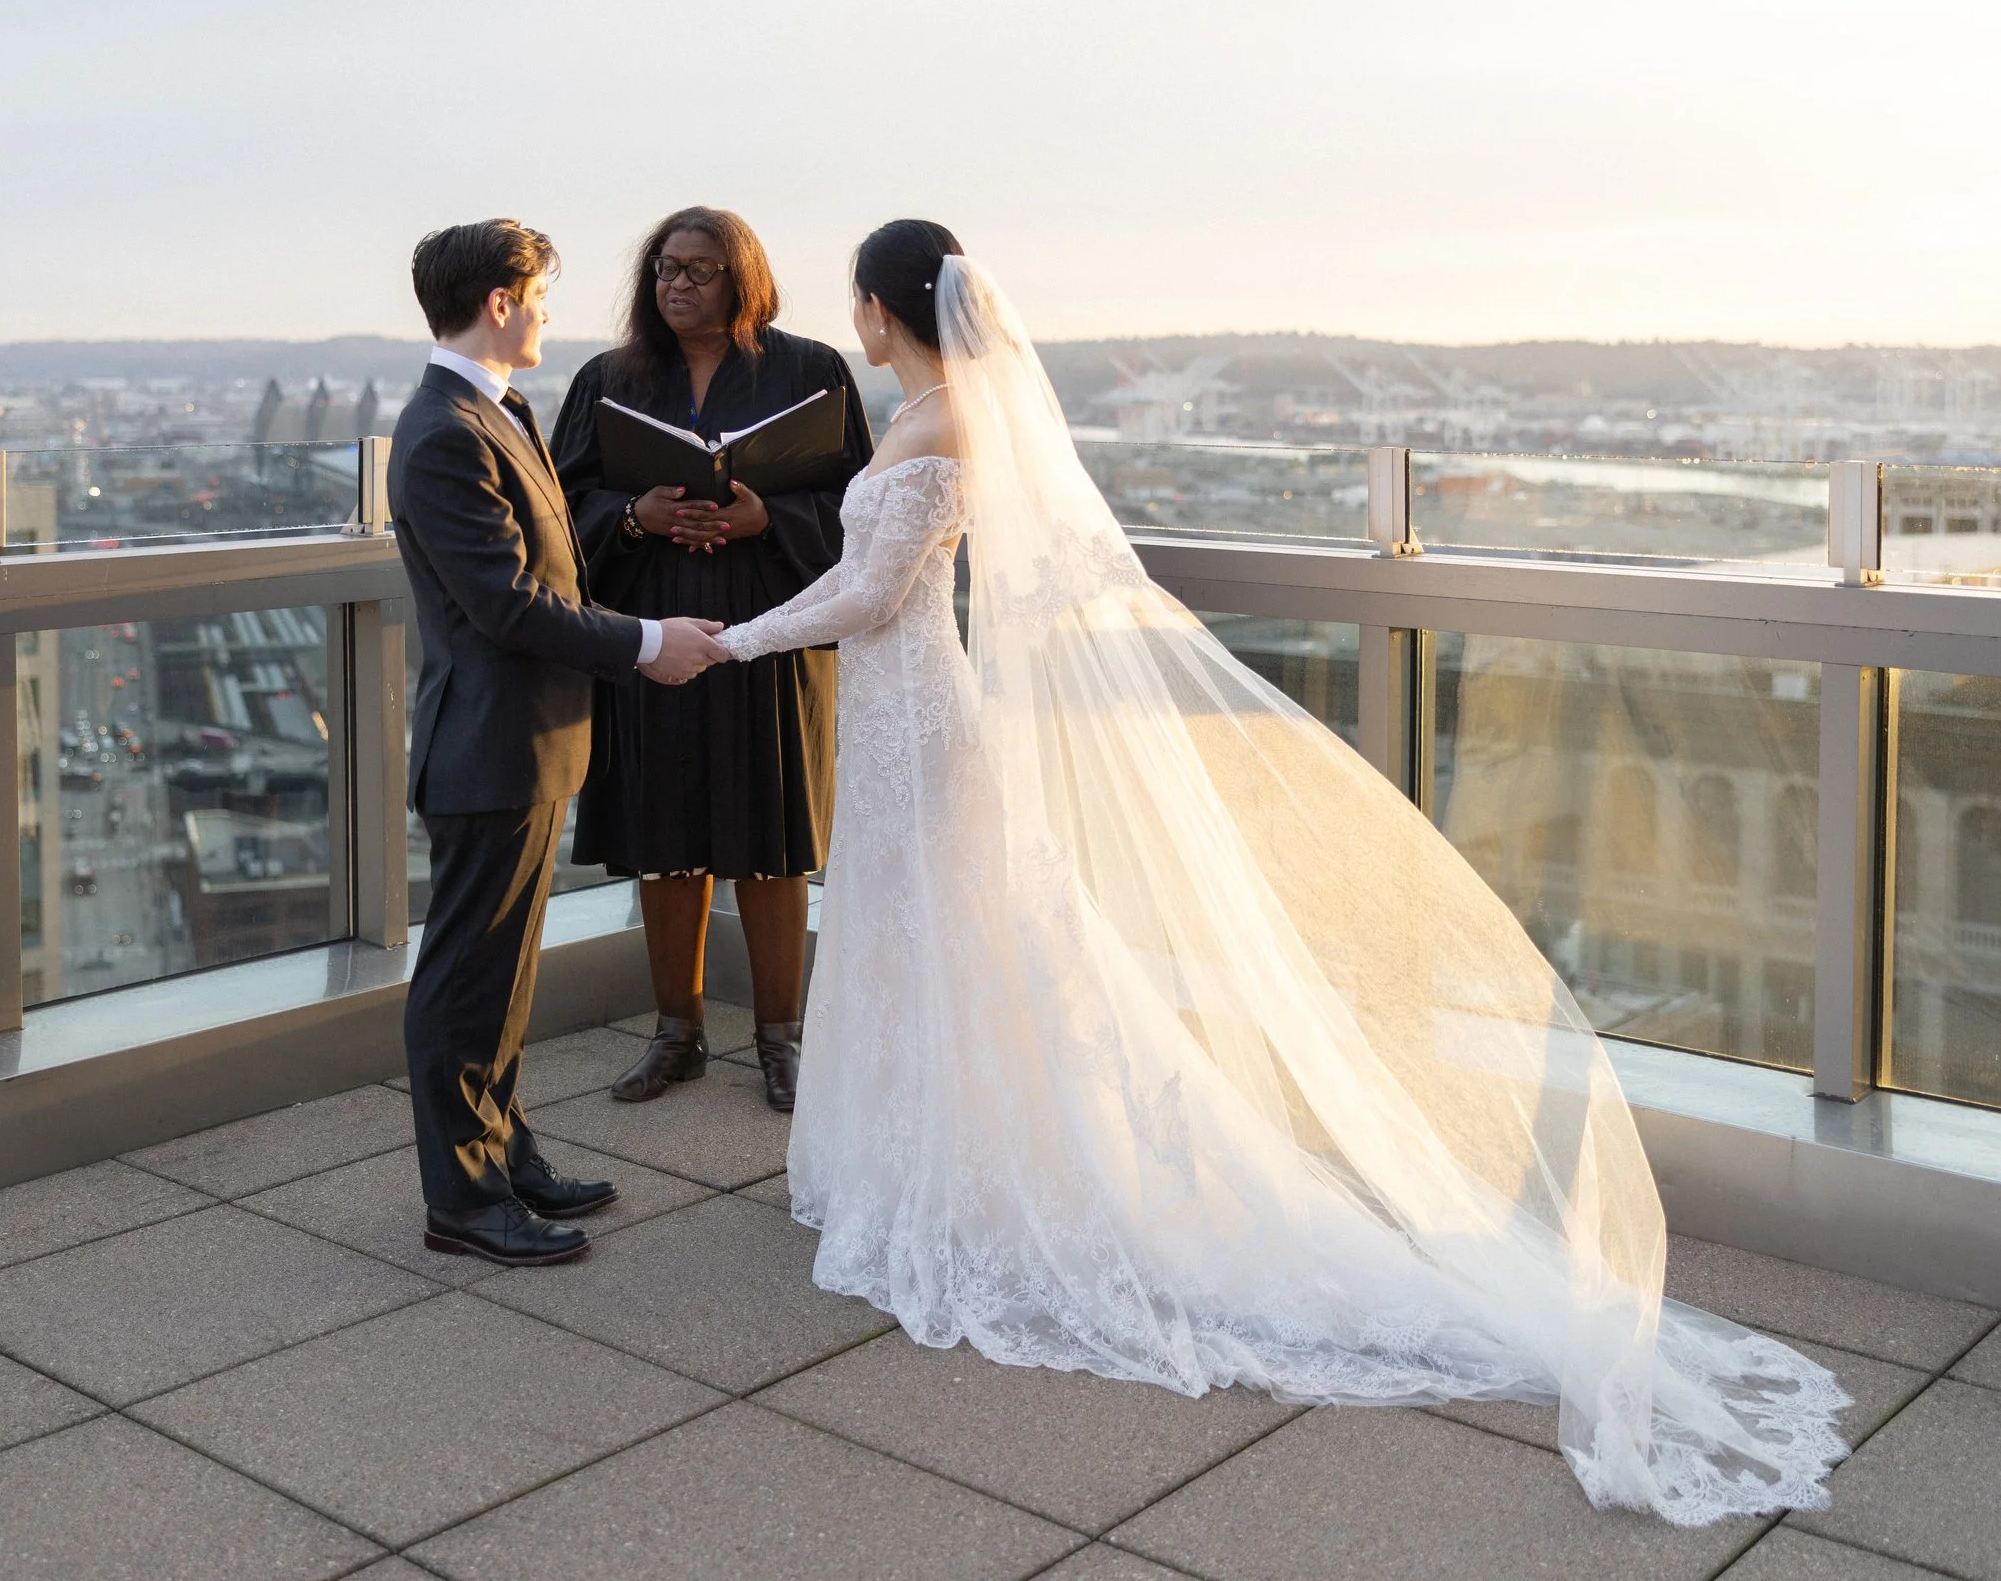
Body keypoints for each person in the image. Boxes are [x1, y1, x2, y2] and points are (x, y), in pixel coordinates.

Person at [711, 220, 1851, 1523]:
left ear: (875, 309)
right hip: (898, 717)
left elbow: (868, 595)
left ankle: (953, 1185)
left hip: (916, 717)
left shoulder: (937, 431)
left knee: (934, 942)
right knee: (919, 945)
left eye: (853, 301)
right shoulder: (934, 416)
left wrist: (730, 636)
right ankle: (921, 1165)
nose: (848, 316)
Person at [389, 218, 727, 1268]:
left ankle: (505, 1157)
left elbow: (543, 566)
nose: (546, 308)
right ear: (499, 301)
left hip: (526, 742)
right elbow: (508, 606)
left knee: (501, 977)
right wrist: (647, 642)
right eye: (539, 290)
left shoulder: (496, 410)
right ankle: (463, 1202)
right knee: (464, 981)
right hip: (490, 746)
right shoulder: (448, 429)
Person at [552, 207, 872, 1111]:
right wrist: (633, 516)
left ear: (743, 280)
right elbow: (561, 505)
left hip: (769, 624)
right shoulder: (608, 379)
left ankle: (782, 1039)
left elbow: (863, 510)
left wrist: (767, 516)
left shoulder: (811, 372)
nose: (676, 285)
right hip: (652, 626)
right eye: (664, 269)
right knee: (666, 835)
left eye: (698, 270)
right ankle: (676, 1034)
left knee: (771, 838)